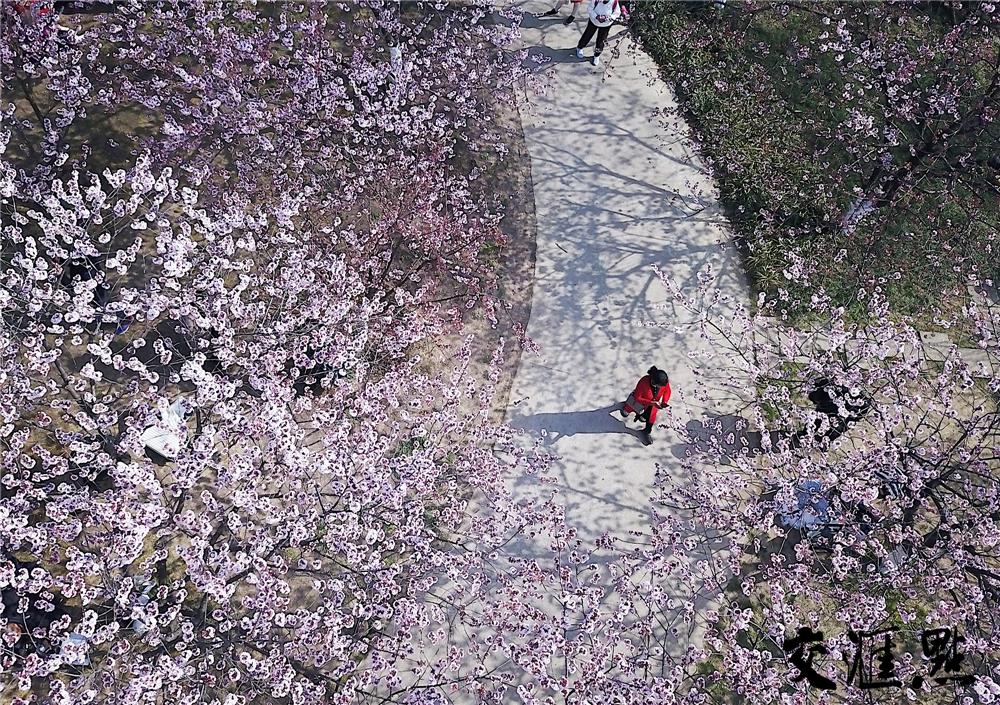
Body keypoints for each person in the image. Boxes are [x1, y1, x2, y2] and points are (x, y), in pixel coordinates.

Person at [622, 366, 671, 446]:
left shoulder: (663, 382)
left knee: (651, 415)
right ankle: (626, 409)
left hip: (653, 403)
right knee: (628, 408)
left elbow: (667, 391)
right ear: (654, 382)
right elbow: (638, 397)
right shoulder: (644, 381)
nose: (662, 387)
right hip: (640, 401)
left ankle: (647, 431)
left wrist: (664, 401)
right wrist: (651, 402)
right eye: (660, 386)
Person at [575, 0, 622, 67]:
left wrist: (609, 18)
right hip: (593, 22)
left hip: (606, 25)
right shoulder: (596, 1)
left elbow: (617, 13)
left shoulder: (614, 2)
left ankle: (597, 55)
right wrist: (596, 17)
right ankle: (580, 47)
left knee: (601, 40)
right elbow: (589, 9)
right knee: (587, 35)